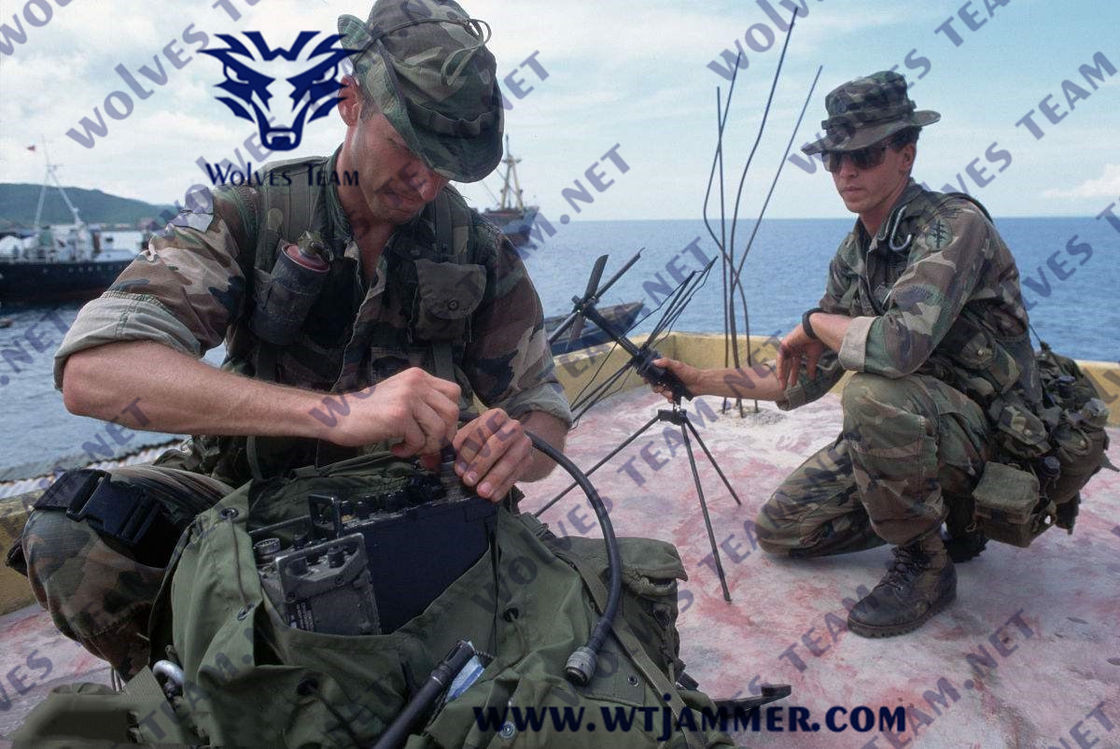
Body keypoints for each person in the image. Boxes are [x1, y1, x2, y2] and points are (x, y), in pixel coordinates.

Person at [12, 0, 571, 679]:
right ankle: (202, 688)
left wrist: (517, 446)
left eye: (446, 161)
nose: (425, 181)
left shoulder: (478, 251)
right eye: (408, 144)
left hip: (409, 508)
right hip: (248, 507)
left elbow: (542, 410)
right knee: (70, 531)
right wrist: (335, 414)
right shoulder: (251, 214)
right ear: (350, 102)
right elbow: (94, 372)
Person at [653, 71, 1041, 637]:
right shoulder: (856, 256)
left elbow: (897, 349)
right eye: (834, 159)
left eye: (864, 155)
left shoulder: (955, 227)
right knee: (785, 530)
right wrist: (695, 380)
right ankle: (949, 512)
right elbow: (799, 376)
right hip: (919, 431)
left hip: (994, 434)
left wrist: (816, 322)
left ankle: (925, 563)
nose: (845, 172)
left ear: (906, 155)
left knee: (871, 393)